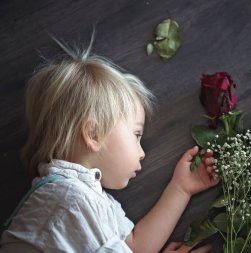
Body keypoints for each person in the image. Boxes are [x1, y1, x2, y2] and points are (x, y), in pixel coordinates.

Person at [0, 36, 219, 253]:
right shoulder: (71, 200)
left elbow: (134, 246)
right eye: (136, 134)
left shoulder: (86, 197)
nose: (142, 153)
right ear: (94, 134)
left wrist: (180, 189)